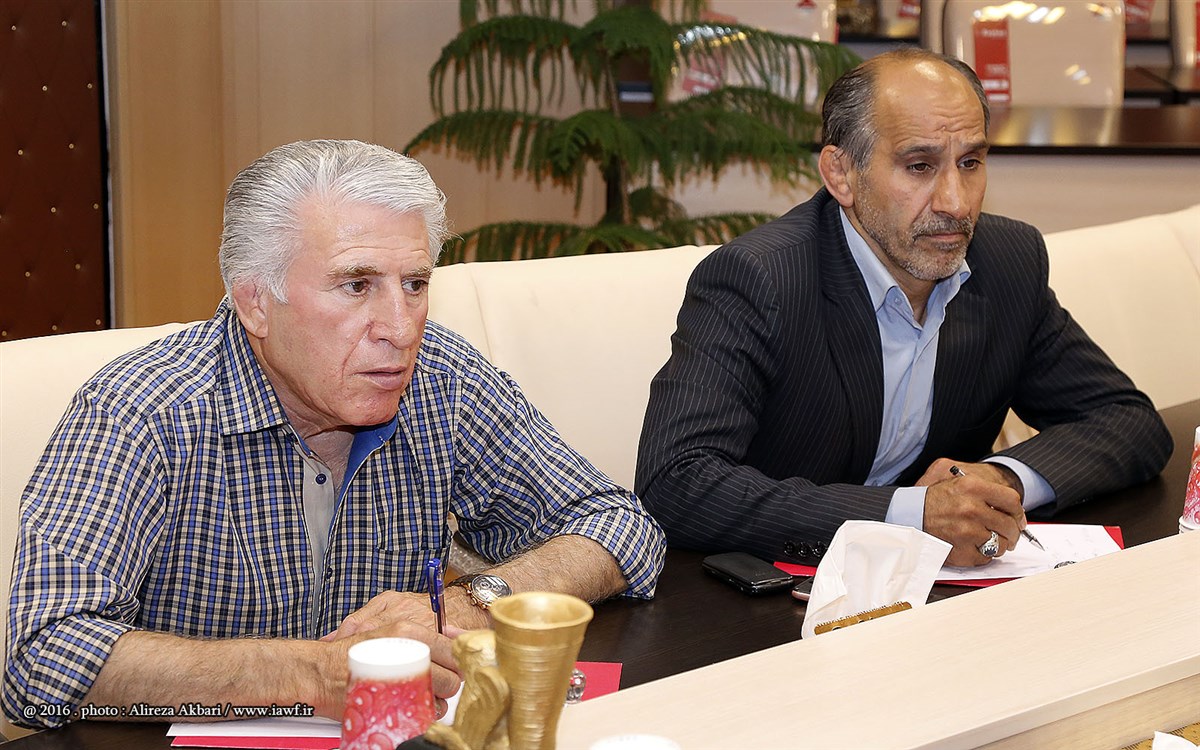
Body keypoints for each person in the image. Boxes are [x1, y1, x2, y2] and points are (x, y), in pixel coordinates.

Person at [4, 140, 665, 729]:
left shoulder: (442, 378)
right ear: (255, 302)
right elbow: (39, 659)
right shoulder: (140, 411)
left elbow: (621, 527)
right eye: (356, 285)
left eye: (414, 284)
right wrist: (313, 674)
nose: (400, 328)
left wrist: (474, 604)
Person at [635, 49, 1172, 570]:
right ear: (841, 173)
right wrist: (912, 515)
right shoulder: (760, 278)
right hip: (773, 590)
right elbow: (676, 482)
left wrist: (996, 482)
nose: (955, 203)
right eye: (919, 166)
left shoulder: (1007, 261)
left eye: (970, 163)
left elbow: (1128, 421)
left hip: (940, 591)